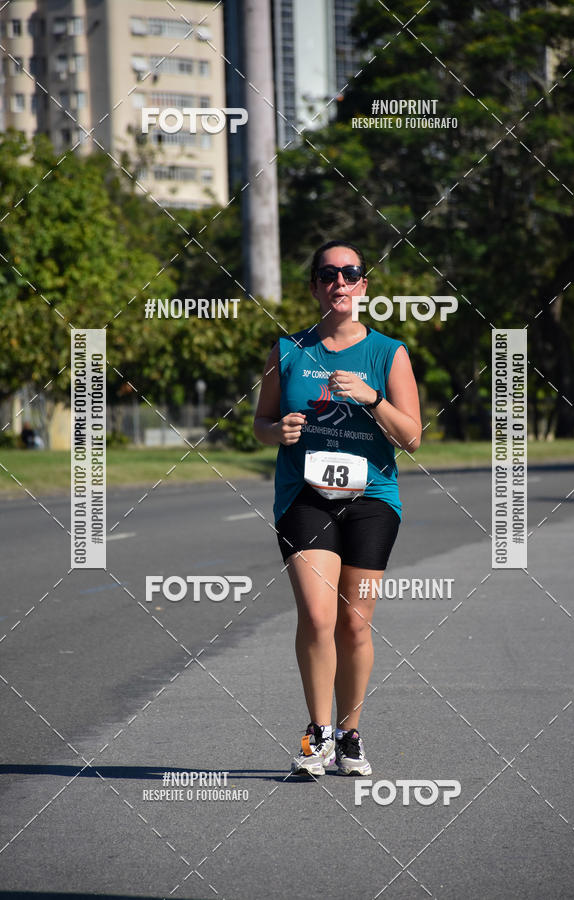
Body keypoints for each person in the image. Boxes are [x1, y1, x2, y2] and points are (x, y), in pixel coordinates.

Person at [254, 240, 421, 776]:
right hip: (305, 497)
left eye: (350, 273)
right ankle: (318, 734)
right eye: (328, 275)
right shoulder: (287, 351)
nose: (340, 283)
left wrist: (372, 398)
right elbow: (260, 424)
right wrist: (277, 431)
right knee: (317, 614)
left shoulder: (388, 353)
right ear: (315, 287)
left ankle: (350, 734)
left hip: (372, 500)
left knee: (354, 623)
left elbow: (412, 437)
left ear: (363, 285)